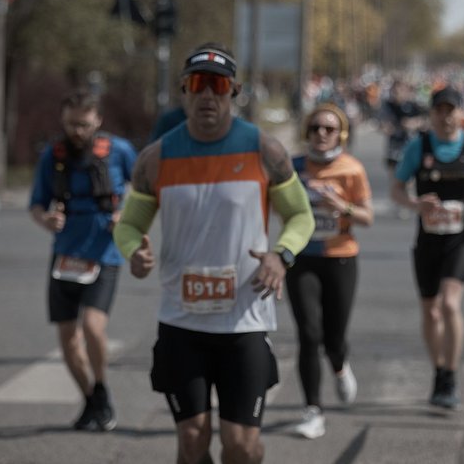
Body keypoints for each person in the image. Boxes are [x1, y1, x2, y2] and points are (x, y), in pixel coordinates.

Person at [112, 42, 314, 464]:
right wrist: (134, 252)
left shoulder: (264, 150)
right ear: (183, 91)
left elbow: (300, 217)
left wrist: (281, 256)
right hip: (181, 321)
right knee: (192, 441)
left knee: (240, 447)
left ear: (233, 91)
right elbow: (129, 225)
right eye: (197, 84)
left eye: (218, 86)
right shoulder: (156, 158)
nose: (207, 95)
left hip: (244, 321)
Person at [29, 88, 137, 431]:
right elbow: (36, 203)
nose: (78, 131)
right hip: (65, 255)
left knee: (92, 326)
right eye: (72, 124)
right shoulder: (53, 154)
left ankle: (101, 386)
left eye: (85, 124)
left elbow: (144, 188)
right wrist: (46, 219)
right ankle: (92, 400)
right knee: (66, 336)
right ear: (63, 121)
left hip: (104, 253)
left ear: (98, 121)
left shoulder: (119, 151)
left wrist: (126, 213)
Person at [390, 85, 464, 410]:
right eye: (439, 110)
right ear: (432, 114)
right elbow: (396, 188)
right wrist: (414, 204)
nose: (445, 116)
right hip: (427, 239)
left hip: (461, 238)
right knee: (430, 310)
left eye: (451, 110)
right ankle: (438, 370)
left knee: (451, 304)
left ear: (461, 113)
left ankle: (451, 374)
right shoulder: (418, 148)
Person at [287, 103, 374, 439]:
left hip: (340, 258)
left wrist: (343, 207)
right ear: (307, 133)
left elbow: (368, 217)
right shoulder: (293, 168)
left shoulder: (351, 169)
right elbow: (269, 202)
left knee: (334, 337)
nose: (321, 135)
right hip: (302, 258)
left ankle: (339, 366)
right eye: (315, 129)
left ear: (341, 134)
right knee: (309, 334)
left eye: (329, 129)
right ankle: (313, 410)